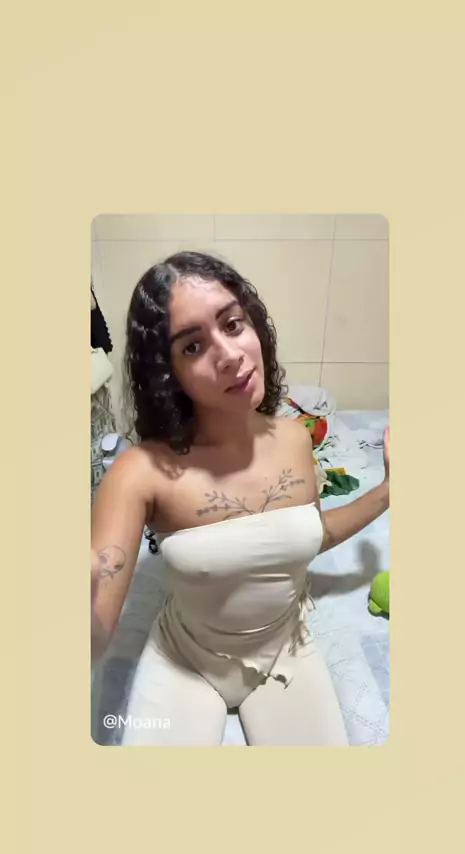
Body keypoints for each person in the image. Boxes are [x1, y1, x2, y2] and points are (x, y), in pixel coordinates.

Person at [91, 251, 390, 746]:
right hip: (184, 660)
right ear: (168, 372)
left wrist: (387, 490)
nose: (229, 354)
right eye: (192, 346)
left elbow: (312, 535)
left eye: (232, 324)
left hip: (287, 652)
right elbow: (96, 623)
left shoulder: (294, 439)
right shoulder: (139, 471)